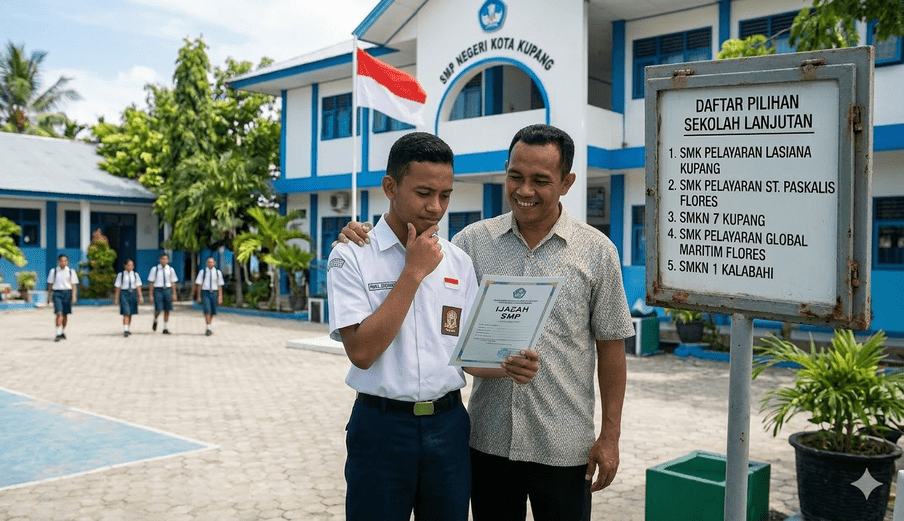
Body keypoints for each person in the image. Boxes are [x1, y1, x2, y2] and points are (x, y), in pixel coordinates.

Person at [338, 124, 635, 521]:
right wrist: (374, 243)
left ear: (566, 183)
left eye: (540, 180)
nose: (524, 190)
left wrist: (610, 436)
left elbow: (612, 346)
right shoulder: (469, 245)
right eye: (515, 176)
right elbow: (429, 346)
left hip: (560, 443)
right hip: (481, 442)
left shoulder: (596, 251)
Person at [327, 132, 538, 521]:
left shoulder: (458, 261)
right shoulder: (351, 256)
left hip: (449, 428)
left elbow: (468, 357)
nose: (435, 207)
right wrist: (413, 273)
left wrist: (508, 367)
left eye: (445, 195)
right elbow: (361, 353)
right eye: (424, 193)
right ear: (390, 187)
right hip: (381, 428)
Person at [46, 253, 79, 342]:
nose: (63, 263)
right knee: (59, 313)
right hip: (57, 293)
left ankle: (62, 330)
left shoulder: (71, 271)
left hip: (67, 293)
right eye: (61, 261)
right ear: (58, 262)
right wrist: (49, 296)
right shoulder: (54, 271)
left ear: (67, 262)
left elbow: (73, 285)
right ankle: (58, 333)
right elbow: (50, 284)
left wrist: (73, 296)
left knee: (65, 314)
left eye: (65, 261)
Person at [148, 253, 178, 334]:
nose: (164, 261)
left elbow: (173, 283)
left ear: (168, 260)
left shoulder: (171, 270)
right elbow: (151, 283)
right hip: (158, 289)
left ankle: (165, 327)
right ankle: (155, 319)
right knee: (158, 309)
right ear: (160, 260)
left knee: (167, 309)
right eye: (162, 259)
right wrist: (150, 295)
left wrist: (174, 294)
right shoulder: (155, 269)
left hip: (167, 289)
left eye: (165, 259)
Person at [194, 257, 224, 336]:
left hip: (214, 292)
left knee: (212, 311)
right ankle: (208, 328)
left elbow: (220, 285)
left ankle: (209, 325)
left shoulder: (218, 272)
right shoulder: (202, 272)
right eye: (209, 262)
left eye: (212, 262)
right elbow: (199, 285)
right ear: (206, 263)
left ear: (214, 263)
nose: (210, 264)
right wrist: (198, 296)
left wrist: (220, 296)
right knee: (207, 310)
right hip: (205, 292)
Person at [113, 259, 144, 337]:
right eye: (129, 265)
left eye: (132, 265)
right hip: (124, 293)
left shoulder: (135, 275)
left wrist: (140, 297)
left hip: (133, 293)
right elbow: (117, 287)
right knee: (126, 312)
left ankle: (128, 328)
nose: (130, 267)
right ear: (125, 266)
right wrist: (116, 298)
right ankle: (126, 329)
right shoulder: (121, 275)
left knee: (131, 313)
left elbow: (138, 286)